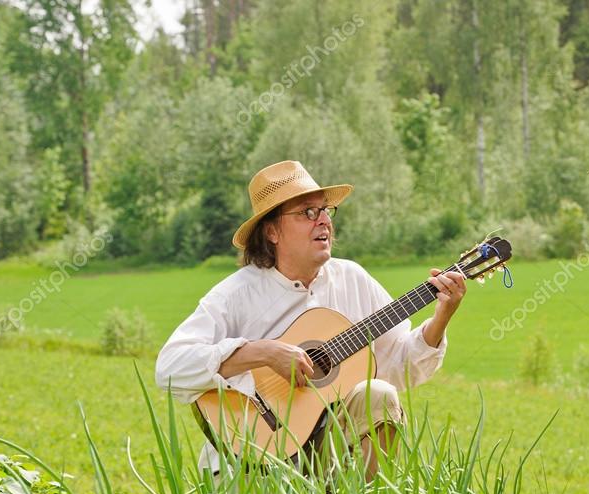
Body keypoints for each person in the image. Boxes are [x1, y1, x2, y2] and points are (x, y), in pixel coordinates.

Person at [155, 160, 466, 477]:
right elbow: (169, 369)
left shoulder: (352, 279)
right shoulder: (235, 294)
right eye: (307, 212)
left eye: (326, 211)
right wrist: (263, 352)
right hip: (250, 461)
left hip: (330, 450)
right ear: (272, 231)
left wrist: (442, 316)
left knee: (380, 394)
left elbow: (402, 365)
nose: (324, 221)